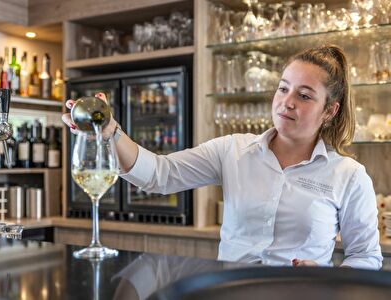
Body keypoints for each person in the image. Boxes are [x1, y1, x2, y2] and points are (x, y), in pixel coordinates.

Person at [62, 44, 382, 270]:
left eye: (304, 95)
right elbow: (159, 174)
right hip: (230, 291)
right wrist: (112, 133)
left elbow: (366, 257)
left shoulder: (350, 175)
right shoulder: (232, 150)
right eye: (283, 89)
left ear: (330, 110)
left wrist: (327, 277)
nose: (287, 102)